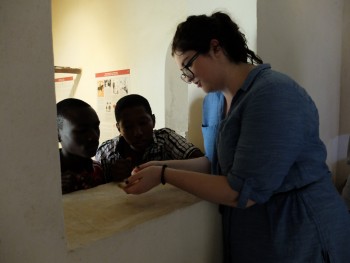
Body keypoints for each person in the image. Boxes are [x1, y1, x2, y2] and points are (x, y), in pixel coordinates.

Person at [122, 12, 350, 263]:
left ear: (215, 47)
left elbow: (242, 190)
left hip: (298, 227)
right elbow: (215, 163)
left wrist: (164, 176)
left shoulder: (273, 94)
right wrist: (158, 166)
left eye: (188, 64)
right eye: (182, 72)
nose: (188, 78)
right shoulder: (213, 101)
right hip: (252, 231)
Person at [95, 94, 203, 182]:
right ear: (119, 128)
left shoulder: (165, 139)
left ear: (153, 120)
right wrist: (112, 179)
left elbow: (201, 163)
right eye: (128, 127)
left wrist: (161, 171)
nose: (138, 133)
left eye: (143, 123)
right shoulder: (106, 152)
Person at [57, 98, 106, 194]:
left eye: (96, 127)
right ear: (57, 134)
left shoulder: (98, 170)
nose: (94, 136)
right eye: (82, 131)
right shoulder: (45, 177)